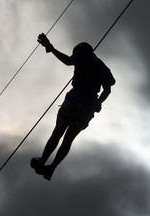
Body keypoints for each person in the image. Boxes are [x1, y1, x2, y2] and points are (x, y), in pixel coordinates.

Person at [31, 33, 116, 181]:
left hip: (75, 98)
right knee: (68, 139)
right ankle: (51, 168)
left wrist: (50, 47)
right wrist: (98, 102)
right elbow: (108, 88)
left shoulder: (81, 54)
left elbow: (68, 61)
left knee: (57, 132)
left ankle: (42, 161)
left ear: (79, 49)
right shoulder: (102, 66)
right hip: (88, 106)